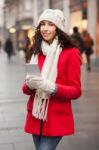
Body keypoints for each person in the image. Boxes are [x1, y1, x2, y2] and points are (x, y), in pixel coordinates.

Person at [22, 9, 82, 150]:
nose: (45, 28)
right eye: (42, 24)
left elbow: (76, 91)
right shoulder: (36, 51)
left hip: (56, 118)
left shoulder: (71, 52)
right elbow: (25, 89)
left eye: (50, 24)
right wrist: (29, 85)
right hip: (35, 116)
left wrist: (51, 87)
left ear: (58, 28)